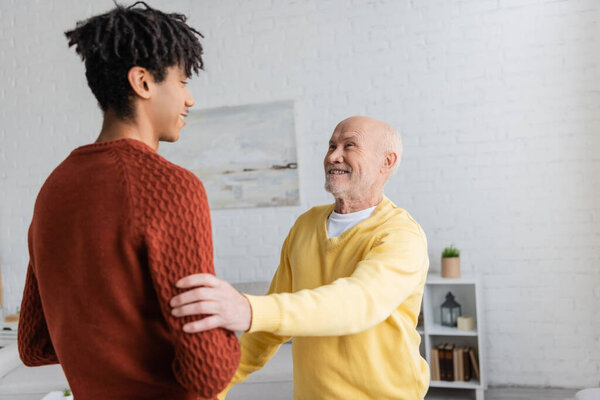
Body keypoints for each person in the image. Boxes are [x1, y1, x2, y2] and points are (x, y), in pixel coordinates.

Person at [17, 3, 240, 399]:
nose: (189, 99)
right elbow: (208, 371)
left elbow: (35, 345)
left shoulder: (53, 188)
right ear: (143, 82)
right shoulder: (172, 186)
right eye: (183, 81)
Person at [170, 116, 431, 399]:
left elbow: (358, 302)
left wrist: (248, 309)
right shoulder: (306, 225)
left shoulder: (402, 235)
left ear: (387, 162)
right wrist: (213, 387)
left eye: (349, 146)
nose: (333, 156)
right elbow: (267, 332)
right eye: (331, 145)